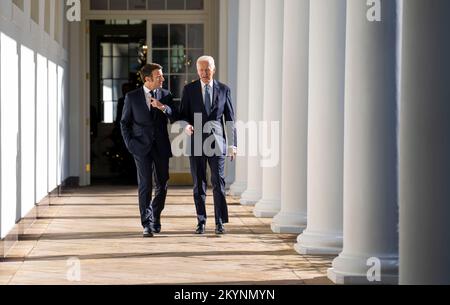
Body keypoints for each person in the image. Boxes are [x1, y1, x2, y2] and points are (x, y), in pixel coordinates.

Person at [179, 56, 237, 235]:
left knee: (218, 183)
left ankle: (220, 222)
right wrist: (186, 125)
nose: (204, 73)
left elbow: (230, 119)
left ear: (214, 69)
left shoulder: (224, 89)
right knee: (199, 184)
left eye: (207, 69)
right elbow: (183, 115)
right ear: (197, 70)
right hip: (196, 142)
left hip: (218, 143)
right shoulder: (189, 90)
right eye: (201, 70)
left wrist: (232, 145)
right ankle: (201, 221)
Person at [120, 63, 176, 238]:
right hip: (140, 147)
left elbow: (174, 116)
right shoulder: (132, 97)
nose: (163, 78)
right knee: (145, 185)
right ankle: (146, 223)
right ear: (147, 79)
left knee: (162, 183)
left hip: (161, 146)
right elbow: (124, 123)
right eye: (159, 76)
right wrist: (130, 144)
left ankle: (155, 216)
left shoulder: (166, 95)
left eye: (162, 75)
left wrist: (163, 107)